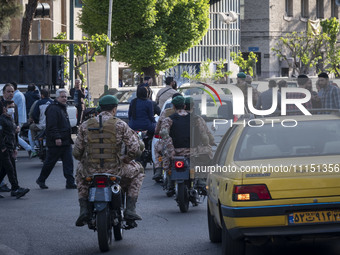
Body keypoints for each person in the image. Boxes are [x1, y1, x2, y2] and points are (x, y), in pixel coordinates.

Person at [73, 95, 144, 227]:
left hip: (90, 171)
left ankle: (83, 210)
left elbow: (76, 152)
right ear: (114, 109)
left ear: (99, 108)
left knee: (79, 174)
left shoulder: (85, 125)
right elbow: (134, 148)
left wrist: (86, 160)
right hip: (116, 170)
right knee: (139, 171)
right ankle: (130, 209)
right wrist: (126, 159)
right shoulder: (120, 124)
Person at [36, 89, 77, 189]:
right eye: (62, 97)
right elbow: (52, 126)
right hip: (56, 142)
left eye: (65, 97)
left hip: (65, 140)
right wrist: (57, 137)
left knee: (68, 162)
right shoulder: (53, 109)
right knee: (50, 162)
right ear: (57, 98)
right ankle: (41, 179)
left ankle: (70, 182)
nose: (64, 99)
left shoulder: (62, 108)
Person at [160, 96, 190, 195]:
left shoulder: (168, 120)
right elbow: (204, 135)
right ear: (185, 106)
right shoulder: (196, 118)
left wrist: (171, 150)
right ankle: (201, 182)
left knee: (166, 162)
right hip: (192, 152)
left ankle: (170, 184)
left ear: (173, 107)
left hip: (175, 153)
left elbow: (164, 135)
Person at [0, 100, 30, 199]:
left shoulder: (10, 119)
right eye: (10, 107)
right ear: (4, 108)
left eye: (13, 107)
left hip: (10, 147)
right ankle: (16, 188)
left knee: (5, 170)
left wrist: (15, 147)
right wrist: (3, 147)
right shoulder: (2, 119)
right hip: (4, 149)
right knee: (10, 169)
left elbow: (12, 134)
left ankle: (15, 188)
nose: (12, 109)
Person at [152, 93, 181, 181]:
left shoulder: (166, 112)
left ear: (173, 104)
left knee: (157, 147)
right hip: (185, 144)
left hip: (168, 144)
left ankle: (158, 169)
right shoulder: (188, 114)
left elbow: (157, 129)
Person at [30, 89, 53, 154]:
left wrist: (36, 121)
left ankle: (35, 142)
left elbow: (35, 114)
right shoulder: (52, 102)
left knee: (31, 127)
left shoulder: (39, 103)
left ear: (42, 95)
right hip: (51, 126)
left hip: (40, 125)